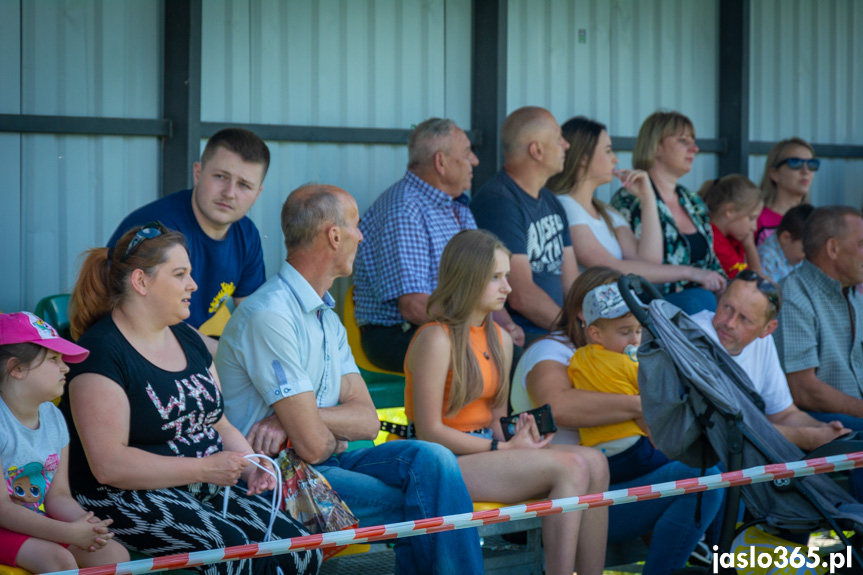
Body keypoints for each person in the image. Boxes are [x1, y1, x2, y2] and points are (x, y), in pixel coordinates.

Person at [215, 184, 484, 575]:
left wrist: (298, 417)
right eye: (357, 226)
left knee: (434, 459)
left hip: (323, 466)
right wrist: (311, 426)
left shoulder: (326, 315)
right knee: (428, 501)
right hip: (273, 481)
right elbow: (313, 444)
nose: (363, 235)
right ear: (334, 235)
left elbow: (368, 421)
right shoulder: (270, 314)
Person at [63, 224, 320, 575]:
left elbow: (219, 422)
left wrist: (251, 466)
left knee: (301, 549)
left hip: (201, 484)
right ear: (141, 282)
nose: (193, 285)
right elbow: (110, 465)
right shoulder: (102, 353)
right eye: (180, 274)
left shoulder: (188, 337)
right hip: (123, 497)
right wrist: (204, 468)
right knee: (235, 555)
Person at [404, 229, 608, 575]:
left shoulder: (500, 338)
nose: (508, 288)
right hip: (439, 461)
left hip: (486, 451)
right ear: (468, 279)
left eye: (506, 277)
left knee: (596, 463)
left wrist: (520, 439)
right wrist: (502, 450)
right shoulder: (435, 338)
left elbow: (497, 420)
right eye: (496, 278)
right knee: (571, 466)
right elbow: (429, 432)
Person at [511, 267, 723, 575]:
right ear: (586, 317)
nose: (633, 326)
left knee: (714, 466)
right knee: (703, 480)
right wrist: (639, 406)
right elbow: (557, 407)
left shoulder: (612, 352)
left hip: (605, 482)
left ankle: (716, 561)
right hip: (562, 502)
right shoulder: (551, 350)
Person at [353, 118, 524, 372]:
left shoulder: (457, 208)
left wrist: (506, 326)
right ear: (441, 162)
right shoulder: (404, 208)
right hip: (398, 335)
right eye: (466, 152)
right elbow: (414, 306)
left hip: (449, 327)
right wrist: (480, 330)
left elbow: (484, 284)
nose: (475, 160)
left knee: (526, 357)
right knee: (501, 362)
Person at [108, 128, 271, 353]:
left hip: (180, 347)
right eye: (220, 176)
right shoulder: (158, 229)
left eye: (244, 185)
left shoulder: (247, 234)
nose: (229, 193)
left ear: (258, 193)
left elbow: (254, 317)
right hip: (128, 348)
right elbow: (153, 324)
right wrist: (230, 356)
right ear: (198, 173)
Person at [0, 313, 129, 573]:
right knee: (59, 561)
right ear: (17, 368)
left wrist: (86, 525)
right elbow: (2, 508)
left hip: (34, 520)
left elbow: (58, 495)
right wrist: (68, 532)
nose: (66, 367)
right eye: (53, 359)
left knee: (114, 555)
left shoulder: (53, 416)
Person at [546, 116, 726, 292]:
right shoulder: (566, 206)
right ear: (583, 158)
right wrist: (691, 273)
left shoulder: (606, 212)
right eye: (608, 150)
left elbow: (648, 261)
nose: (615, 159)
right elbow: (610, 267)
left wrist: (647, 198)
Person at [690, 272, 851, 451]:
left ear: (767, 329)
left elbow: (783, 414)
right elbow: (720, 430)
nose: (730, 323)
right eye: (727, 307)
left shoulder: (761, 342)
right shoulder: (690, 335)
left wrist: (822, 429)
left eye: (744, 318)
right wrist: (808, 438)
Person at [471, 106, 578, 339]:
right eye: (559, 139)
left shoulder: (550, 200)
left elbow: (572, 284)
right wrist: (577, 333)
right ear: (537, 150)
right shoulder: (498, 202)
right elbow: (521, 296)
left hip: (557, 329)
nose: (566, 145)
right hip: (523, 333)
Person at [611, 110, 726, 314]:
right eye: (683, 141)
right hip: (654, 306)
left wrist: (725, 287)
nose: (695, 148)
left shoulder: (691, 200)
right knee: (700, 301)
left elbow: (711, 262)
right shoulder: (629, 199)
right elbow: (640, 270)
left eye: (693, 141)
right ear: (656, 147)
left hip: (701, 304)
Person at [567, 284, 672, 483]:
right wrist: (654, 437)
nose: (635, 339)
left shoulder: (578, 358)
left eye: (639, 331)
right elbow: (645, 408)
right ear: (596, 334)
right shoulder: (631, 362)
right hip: (633, 449)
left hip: (598, 454)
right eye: (625, 332)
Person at [774, 206, 863, 426]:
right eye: (861, 244)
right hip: (824, 424)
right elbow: (803, 390)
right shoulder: (793, 296)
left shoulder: (854, 295)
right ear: (833, 248)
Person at [698, 175, 763, 279]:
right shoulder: (715, 240)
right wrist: (750, 247)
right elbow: (752, 281)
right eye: (751, 218)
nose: (754, 227)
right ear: (730, 210)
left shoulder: (732, 237)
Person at [755, 138, 819, 245]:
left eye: (811, 164)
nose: (806, 171)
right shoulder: (756, 220)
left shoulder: (817, 219)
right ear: (774, 174)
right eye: (796, 163)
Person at [757, 203, 814, 284]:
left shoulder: (792, 254)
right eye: (804, 249)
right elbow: (770, 294)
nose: (807, 255)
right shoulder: (767, 259)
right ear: (785, 237)